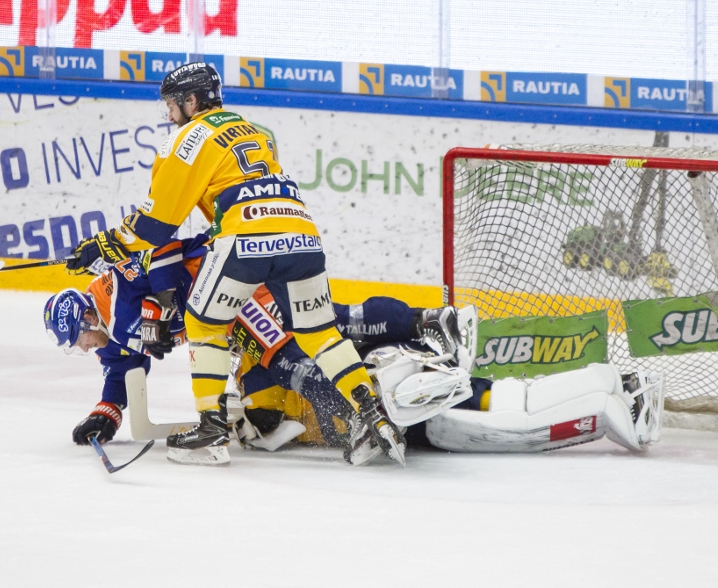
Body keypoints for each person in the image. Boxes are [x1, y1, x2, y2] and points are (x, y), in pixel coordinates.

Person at [61, 62, 404, 466]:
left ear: (191, 101)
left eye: (172, 105)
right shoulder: (249, 128)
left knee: (204, 322)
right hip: (302, 233)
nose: (169, 115)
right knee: (320, 333)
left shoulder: (188, 138)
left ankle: (210, 429)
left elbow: (157, 225)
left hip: (247, 237)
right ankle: (373, 416)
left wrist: (104, 243)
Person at [45, 251, 464, 464]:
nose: (82, 347)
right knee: (263, 415)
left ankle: (416, 331)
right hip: (222, 323)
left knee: (298, 346)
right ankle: (394, 353)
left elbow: (165, 255)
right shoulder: (109, 331)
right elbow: (122, 367)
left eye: (76, 338)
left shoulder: (115, 285)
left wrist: (156, 311)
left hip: (233, 289)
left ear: (85, 315)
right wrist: (106, 413)